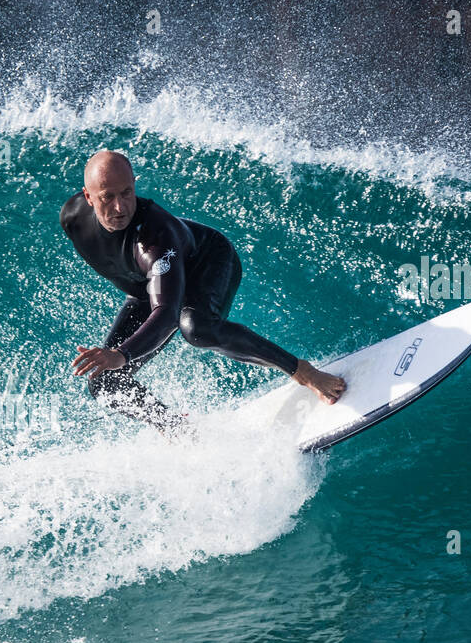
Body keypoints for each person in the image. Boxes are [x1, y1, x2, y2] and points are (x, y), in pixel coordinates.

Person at [62, 150, 346, 435]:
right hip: (148, 286)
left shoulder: (155, 239)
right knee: (104, 381)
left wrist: (122, 354)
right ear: (88, 197)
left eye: (127, 193)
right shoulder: (72, 218)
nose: (120, 207)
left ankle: (304, 372)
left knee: (197, 328)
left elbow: (167, 312)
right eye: (107, 197)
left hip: (207, 261)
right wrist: (115, 359)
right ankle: (175, 428)